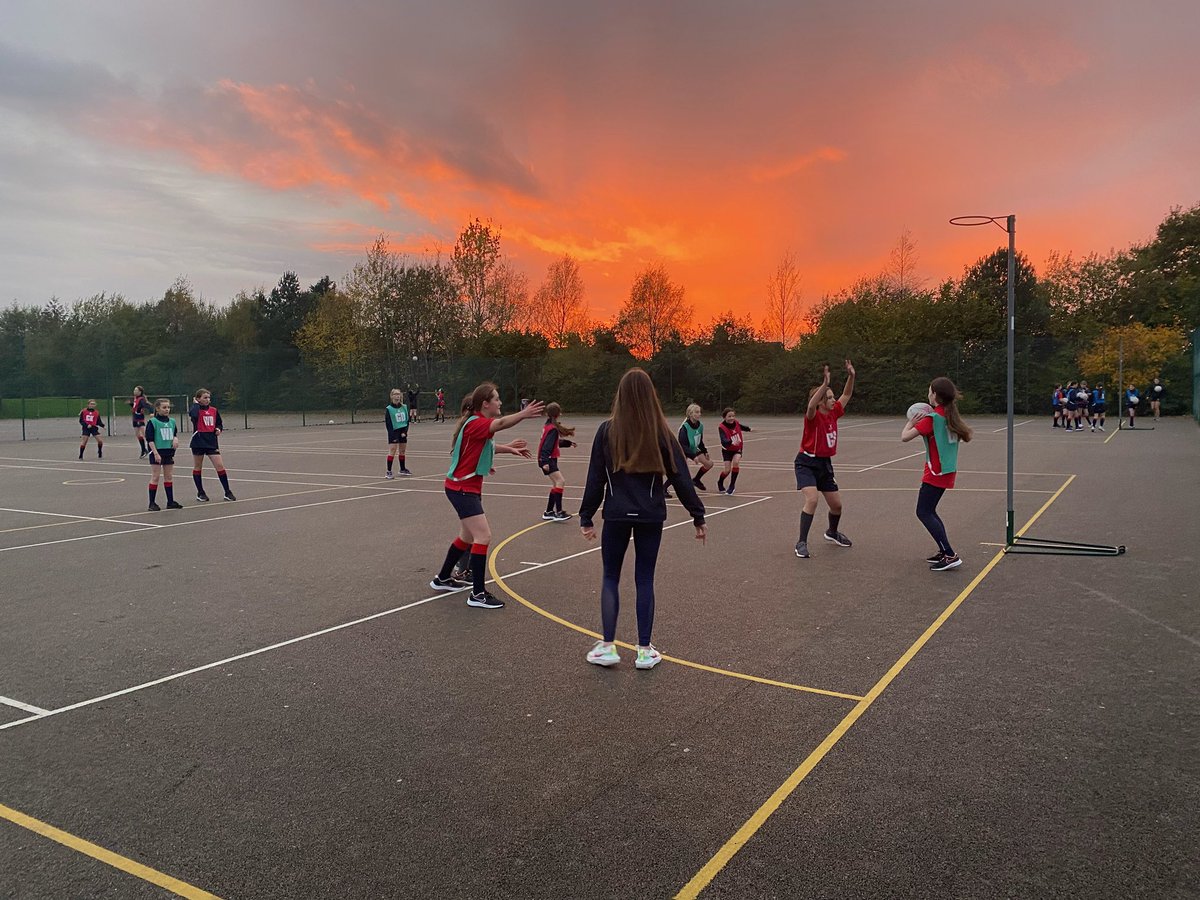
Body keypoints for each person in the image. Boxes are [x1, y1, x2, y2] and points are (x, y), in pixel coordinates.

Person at [579, 368, 706, 669]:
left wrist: (586, 516)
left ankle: (608, 647)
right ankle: (644, 651)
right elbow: (682, 478)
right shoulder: (661, 432)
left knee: (611, 576)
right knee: (644, 578)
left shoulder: (607, 430)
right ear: (652, 396)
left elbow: (595, 478)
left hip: (616, 515)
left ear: (620, 396)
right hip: (650, 515)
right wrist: (697, 515)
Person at [429, 384, 544, 609]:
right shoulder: (477, 423)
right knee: (483, 536)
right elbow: (499, 425)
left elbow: (486, 445)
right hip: (462, 489)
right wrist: (523, 414)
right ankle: (478, 594)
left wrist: (509, 448)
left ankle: (442, 578)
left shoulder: (475, 424)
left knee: (467, 537)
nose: (500, 403)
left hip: (462, 488)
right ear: (485, 404)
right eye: (497, 399)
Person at [901, 377, 974, 572]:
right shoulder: (948, 415)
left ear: (934, 395)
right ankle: (944, 551)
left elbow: (904, 437)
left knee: (923, 512)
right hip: (946, 470)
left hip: (936, 472)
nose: (927, 394)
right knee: (930, 511)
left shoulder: (932, 419)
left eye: (929, 391)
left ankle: (950, 554)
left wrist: (910, 423)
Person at [793, 360, 856, 559]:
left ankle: (832, 532)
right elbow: (811, 405)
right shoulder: (812, 417)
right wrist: (824, 384)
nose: (833, 399)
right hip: (806, 463)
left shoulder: (833, 413)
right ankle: (801, 542)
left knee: (837, 505)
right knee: (812, 499)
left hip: (824, 464)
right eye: (829, 397)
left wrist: (851, 376)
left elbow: (846, 395)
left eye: (831, 396)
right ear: (821, 401)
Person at [188, 388, 236, 502]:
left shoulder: (214, 410)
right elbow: (193, 415)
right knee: (198, 467)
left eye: (209, 398)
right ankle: (200, 492)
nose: (207, 400)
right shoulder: (196, 410)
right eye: (205, 398)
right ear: (198, 399)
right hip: (198, 441)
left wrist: (219, 429)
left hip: (211, 441)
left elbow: (219, 423)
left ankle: (227, 492)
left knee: (220, 466)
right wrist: (195, 404)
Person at [537, 402, 576, 521]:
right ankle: (558, 512)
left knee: (556, 483)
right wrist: (545, 462)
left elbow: (554, 442)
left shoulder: (549, 426)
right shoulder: (553, 429)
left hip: (548, 459)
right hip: (548, 459)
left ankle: (549, 511)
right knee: (560, 481)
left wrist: (568, 443)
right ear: (558, 413)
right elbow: (546, 447)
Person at [145, 398, 184, 511]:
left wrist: (175, 439)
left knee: (168, 477)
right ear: (157, 409)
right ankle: (152, 503)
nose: (167, 409)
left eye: (168, 407)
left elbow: (174, 433)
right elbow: (150, 439)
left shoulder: (171, 421)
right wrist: (156, 453)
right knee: (155, 477)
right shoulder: (153, 422)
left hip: (168, 451)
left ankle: (170, 501)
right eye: (164, 407)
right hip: (157, 452)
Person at [677, 404, 714, 491]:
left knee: (709, 464)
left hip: (694, 449)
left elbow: (700, 441)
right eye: (697, 412)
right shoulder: (684, 428)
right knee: (680, 472)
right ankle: (664, 488)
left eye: (700, 412)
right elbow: (683, 445)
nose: (699, 414)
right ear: (690, 414)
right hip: (684, 451)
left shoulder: (700, 426)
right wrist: (693, 456)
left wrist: (705, 451)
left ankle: (696, 480)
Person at [715, 407, 752, 495]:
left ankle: (732, 486)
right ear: (724, 417)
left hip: (737, 449)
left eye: (733, 416)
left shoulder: (736, 423)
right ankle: (720, 482)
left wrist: (749, 429)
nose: (732, 418)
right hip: (727, 450)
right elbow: (723, 440)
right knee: (727, 470)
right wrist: (731, 442)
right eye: (729, 416)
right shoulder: (721, 427)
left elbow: (741, 427)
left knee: (736, 462)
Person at [384, 388, 412, 478]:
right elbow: (388, 424)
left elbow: (407, 421)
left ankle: (402, 469)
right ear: (392, 396)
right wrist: (393, 435)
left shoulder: (404, 407)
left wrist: (405, 431)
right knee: (392, 450)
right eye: (395, 394)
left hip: (402, 431)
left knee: (402, 451)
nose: (397, 396)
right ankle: (389, 471)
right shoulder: (389, 409)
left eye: (399, 394)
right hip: (394, 431)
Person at [129, 386, 153, 457]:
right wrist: (131, 404)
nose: (134, 391)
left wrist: (151, 412)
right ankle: (144, 450)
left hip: (139, 418)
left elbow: (146, 405)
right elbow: (136, 407)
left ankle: (152, 448)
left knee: (144, 434)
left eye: (136, 390)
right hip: (135, 418)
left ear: (140, 392)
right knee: (138, 435)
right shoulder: (135, 399)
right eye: (134, 390)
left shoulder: (141, 399)